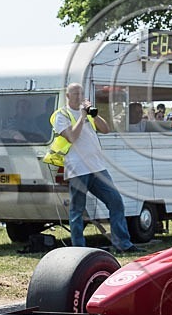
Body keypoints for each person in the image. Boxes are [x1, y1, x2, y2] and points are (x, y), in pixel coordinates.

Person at [52, 82, 141, 253]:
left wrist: (93, 114)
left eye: (81, 93)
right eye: (75, 94)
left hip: (97, 168)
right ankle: (78, 248)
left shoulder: (88, 113)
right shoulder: (61, 115)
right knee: (77, 210)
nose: (79, 97)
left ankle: (123, 244)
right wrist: (82, 117)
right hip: (78, 169)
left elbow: (106, 129)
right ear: (68, 96)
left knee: (116, 202)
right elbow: (71, 137)